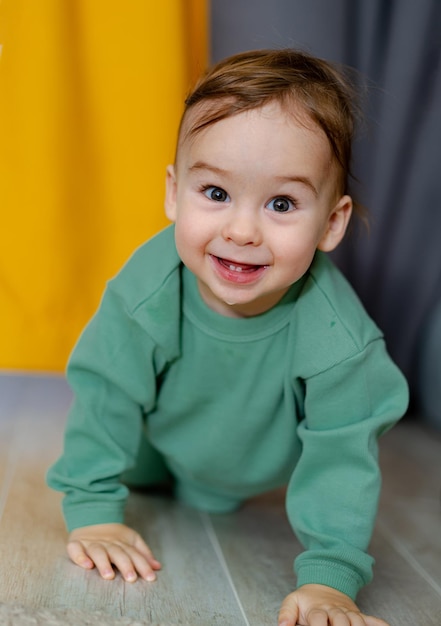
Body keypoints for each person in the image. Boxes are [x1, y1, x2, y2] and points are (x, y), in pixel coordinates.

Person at [47, 49, 409, 626]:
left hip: (259, 466)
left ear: (332, 224)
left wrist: (330, 579)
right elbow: (106, 391)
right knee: (127, 450)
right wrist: (93, 510)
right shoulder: (148, 289)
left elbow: (343, 452)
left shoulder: (339, 339)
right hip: (152, 441)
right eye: (215, 193)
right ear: (173, 193)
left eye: (282, 203)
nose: (241, 231)